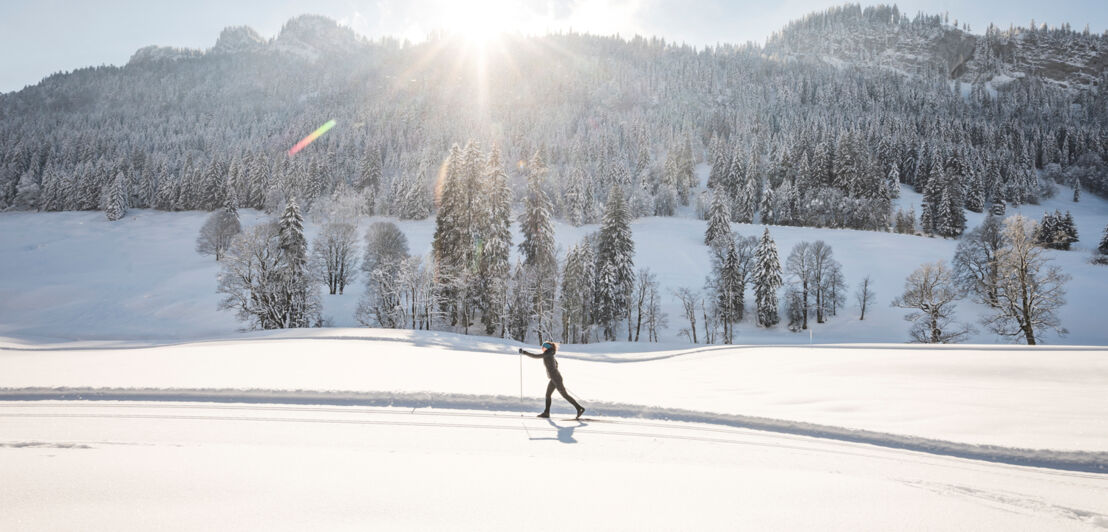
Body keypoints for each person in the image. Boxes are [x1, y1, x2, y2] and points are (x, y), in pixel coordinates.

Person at [519, 341, 585, 419]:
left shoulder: (548, 353)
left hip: (556, 378)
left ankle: (579, 408)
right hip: (555, 378)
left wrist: (525, 353)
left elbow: (537, 356)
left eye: (543, 347)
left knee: (564, 395)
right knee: (548, 395)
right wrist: (553, 372)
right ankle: (546, 413)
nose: (542, 348)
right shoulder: (550, 353)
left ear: (546, 347)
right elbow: (556, 364)